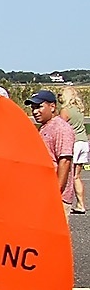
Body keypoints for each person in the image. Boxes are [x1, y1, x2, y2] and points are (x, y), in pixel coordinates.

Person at [28, 90, 76, 217]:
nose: (34, 112)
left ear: (52, 106)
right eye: (33, 108)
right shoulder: (45, 126)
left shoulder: (61, 128)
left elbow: (65, 161)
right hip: (43, 194)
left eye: (39, 107)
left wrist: (56, 192)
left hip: (57, 198)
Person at [60, 86, 87, 215]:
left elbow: (60, 126)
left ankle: (67, 202)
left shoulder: (66, 110)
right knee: (77, 176)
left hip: (74, 143)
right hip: (83, 142)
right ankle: (81, 203)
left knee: (69, 175)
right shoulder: (79, 110)